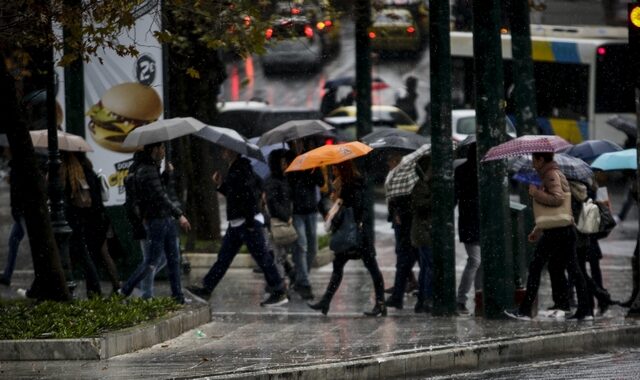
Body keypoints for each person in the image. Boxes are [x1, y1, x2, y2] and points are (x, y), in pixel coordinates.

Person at [187, 147, 288, 306]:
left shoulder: (240, 169)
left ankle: (279, 290)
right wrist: (220, 185)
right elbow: (239, 193)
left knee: (261, 258)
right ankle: (206, 288)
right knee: (225, 258)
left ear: (232, 151)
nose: (223, 153)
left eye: (225, 151)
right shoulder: (239, 168)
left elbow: (248, 194)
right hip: (238, 223)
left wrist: (249, 222)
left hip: (246, 223)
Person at [505, 152, 593, 321]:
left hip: (558, 232)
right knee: (573, 270)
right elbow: (552, 213)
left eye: (534, 160)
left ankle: (524, 311)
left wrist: (536, 193)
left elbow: (557, 199)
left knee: (536, 267)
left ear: (541, 159)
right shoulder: (551, 173)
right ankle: (585, 310)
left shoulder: (551, 174)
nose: (532, 163)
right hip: (562, 230)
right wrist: (538, 230)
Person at [308, 160, 386, 316]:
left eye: (336, 168)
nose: (334, 171)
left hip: (359, 236)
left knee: (372, 268)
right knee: (338, 267)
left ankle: (381, 304)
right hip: (348, 235)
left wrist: (340, 202)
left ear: (344, 170)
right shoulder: (342, 186)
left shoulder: (353, 186)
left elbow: (356, 211)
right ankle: (325, 302)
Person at [119, 142, 191, 304]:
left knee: (173, 259)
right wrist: (179, 215)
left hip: (164, 219)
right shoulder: (147, 169)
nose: (164, 151)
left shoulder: (152, 168)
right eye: (162, 148)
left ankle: (177, 296)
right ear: (154, 150)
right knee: (151, 261)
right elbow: (159, 196)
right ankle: (125, 290)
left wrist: (166, 174)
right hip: (156, 221)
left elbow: (159, 190)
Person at [60, 151, 103, 297]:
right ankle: (93, 290)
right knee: (84, 256)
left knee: (74, 256)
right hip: (83, 220)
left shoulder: (70, 174)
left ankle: (71, 289)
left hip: (73, 221)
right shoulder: (85, 171)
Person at [287, 141, 324, 300]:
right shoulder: (289, 161)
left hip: (311, 209)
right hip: (296, 211)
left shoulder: (312, 159)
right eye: (295, 143)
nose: (298, 145)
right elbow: (288, 185)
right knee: (301, 246)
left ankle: (298, 275)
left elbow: (321, 182)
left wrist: (313, 168)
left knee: (313, 248)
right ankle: (304, 283)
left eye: (300, 142)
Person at [384, 152, 419, 310]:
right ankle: (405, 288)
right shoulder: (398, 177)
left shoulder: (406, 178)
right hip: (404, 224)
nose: (388, 163)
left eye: (390, 160)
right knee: (407, 258)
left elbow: (403, 200)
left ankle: (401, 292)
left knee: (406, 259)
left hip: (406, 225)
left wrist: (397, 212)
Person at [454, 144, 482, 315]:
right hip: (471, 221)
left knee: (479, 262)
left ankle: (478, 297)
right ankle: (461, 299)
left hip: (472, 220)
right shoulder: (466, 171)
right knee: (475, 260)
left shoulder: (465, 170)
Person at [264, 149, 297, 289]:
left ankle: (284, 277)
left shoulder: (284, 178)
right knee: (277, 254)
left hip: (283, 220)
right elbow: (273, 203)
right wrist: (286, 217)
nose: (285, 164)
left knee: (280, 253)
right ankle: (281, 282)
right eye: (282, 161)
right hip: (277, 222)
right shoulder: (272, 181)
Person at [411, 154, 434, 313]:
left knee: (426, 266)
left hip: (424, 231)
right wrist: (434, 198)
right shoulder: (421, 186)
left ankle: (422, 301)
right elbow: (421, 206)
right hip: (423, 232)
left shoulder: (426, 185)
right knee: (429, 266)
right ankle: (426, 299)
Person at [0, 149, 26, 286]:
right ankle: (7, 275)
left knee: (17, 241)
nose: (4, 151)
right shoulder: (16, 167)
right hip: (20, 211)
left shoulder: (18, 167)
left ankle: (7, 275)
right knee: (13, 241)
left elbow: (18, 193)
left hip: (22, 211)